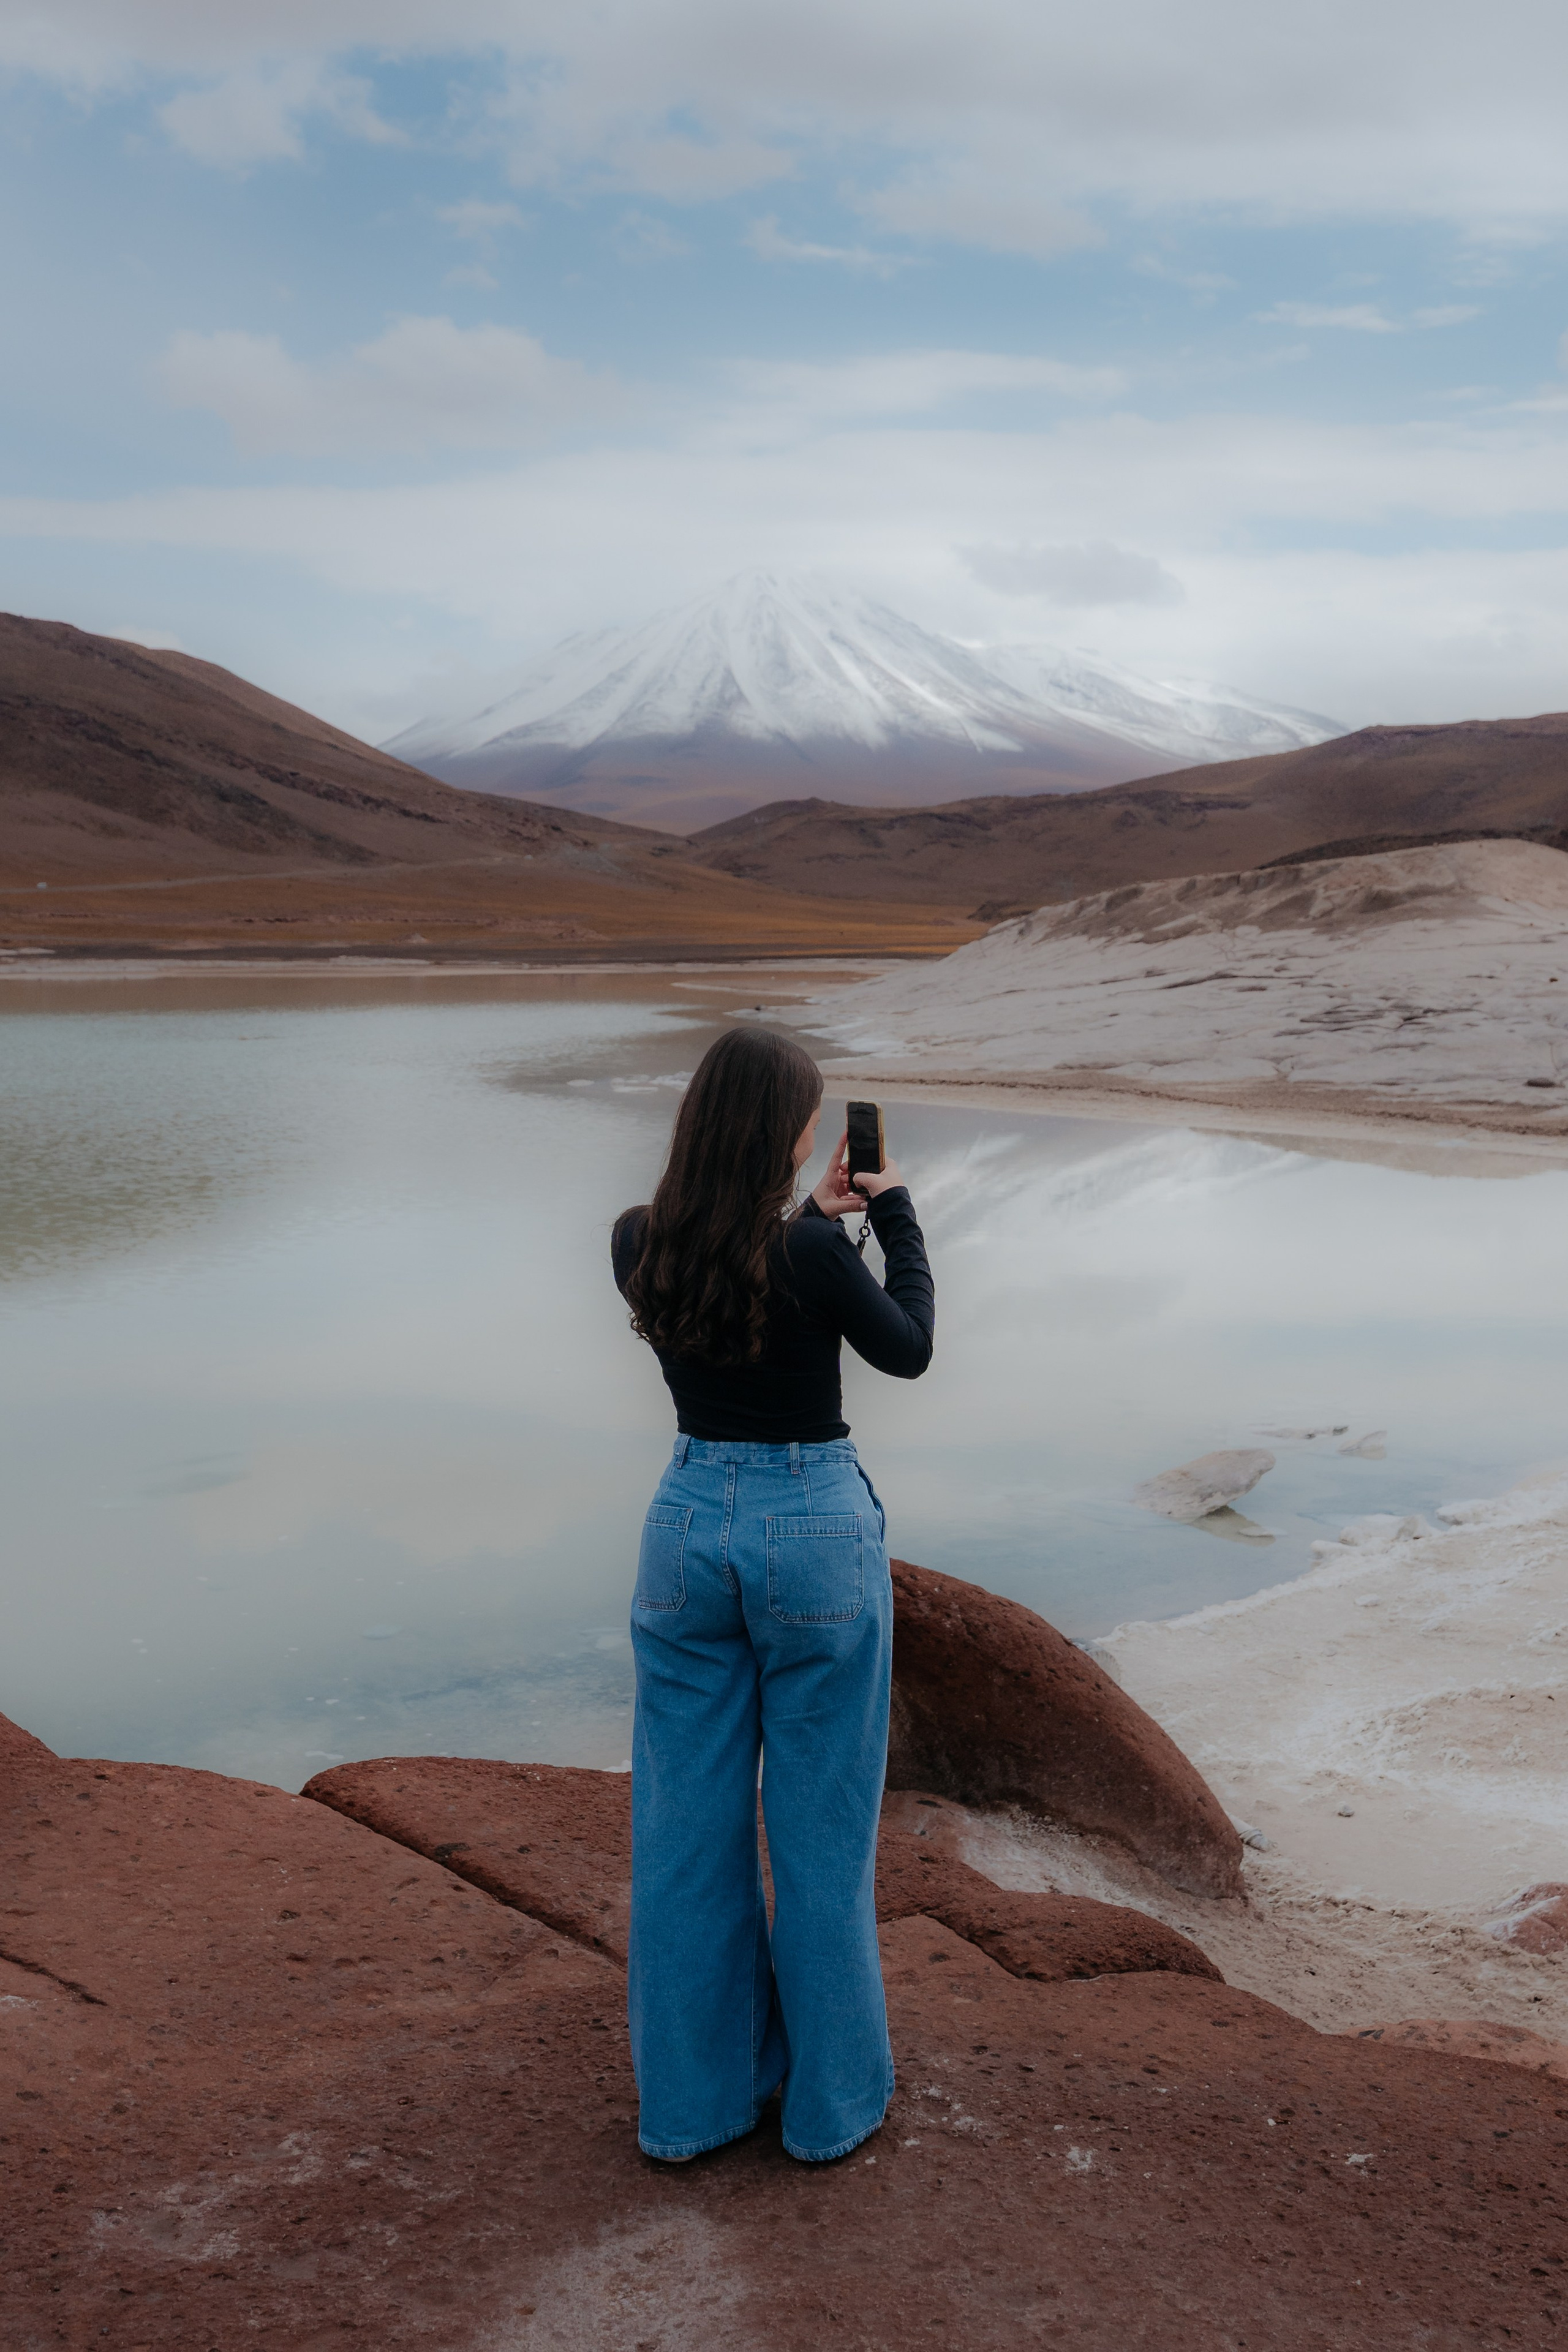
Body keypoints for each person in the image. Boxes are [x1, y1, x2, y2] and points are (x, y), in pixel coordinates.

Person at [611, 1026, 935, 2165]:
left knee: (683, 1835)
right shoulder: (810, 1257)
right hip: (811, 1532)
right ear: (785, 1132)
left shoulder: (637, 1239)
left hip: (684, 1527)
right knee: (819, 1837)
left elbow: (740, 1273)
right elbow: (909, 1348)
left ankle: (689, 2111)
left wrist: (813, 1223)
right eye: (807, 1117)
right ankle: (828, 2110)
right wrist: (892, 1217)